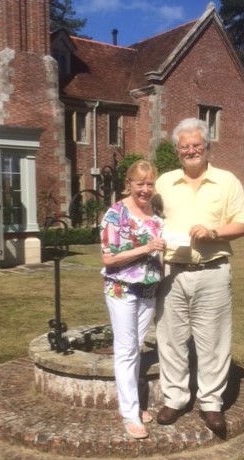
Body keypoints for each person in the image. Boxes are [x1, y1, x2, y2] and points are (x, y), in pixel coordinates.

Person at [154, 118, 244, 437]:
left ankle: (211, 403)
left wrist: (213, 232)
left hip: (212, 272)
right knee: (170, 339)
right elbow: (146, 217)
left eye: (197, 145)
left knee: (213, 341)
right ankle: (176, 398)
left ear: (207, 146)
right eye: (185, 146)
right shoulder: (164, 182)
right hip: (171, 272)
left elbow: (243, 224)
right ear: (177, 150)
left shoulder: (227, 182)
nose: (191, 150)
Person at [100, 159, 165, 439]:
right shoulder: (115, 214)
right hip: (122, 289)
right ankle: (130, 412)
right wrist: (146, 247)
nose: (145, 189)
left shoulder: (157, 214)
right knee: (126, 351)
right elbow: (108, 258)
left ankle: (134, 404)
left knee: (135, 348)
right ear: (129, 184)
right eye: (140, 183)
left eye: (150, 183)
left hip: (148, 290)